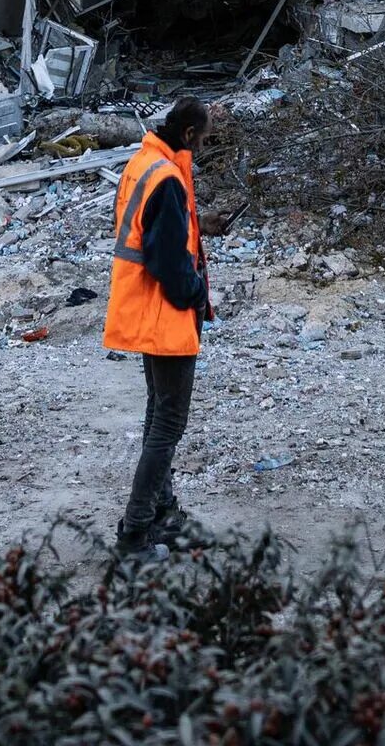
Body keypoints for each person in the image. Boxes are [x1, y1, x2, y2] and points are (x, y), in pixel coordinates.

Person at [103, 98, 213, 554]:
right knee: (167, 425)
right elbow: (166, 258)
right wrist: (195, 294)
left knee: (157, 417)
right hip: (164, 312)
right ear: (188, 134)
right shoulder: (166, 178)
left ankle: (163, 515)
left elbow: (148, 235)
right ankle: (136, 529)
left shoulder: (142, 163)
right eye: (203, 139)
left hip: (144, 307)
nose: (204, 147)